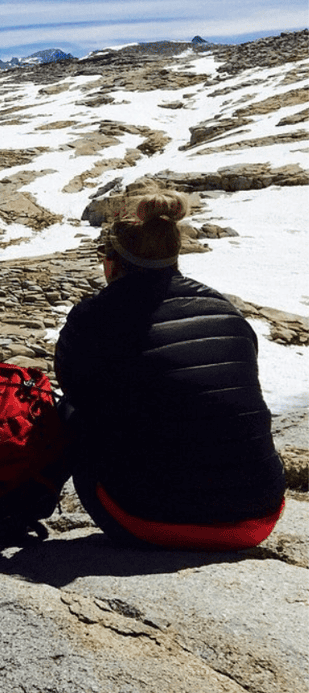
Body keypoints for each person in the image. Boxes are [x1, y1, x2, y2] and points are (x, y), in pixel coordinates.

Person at [54, 188, 286, 550]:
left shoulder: (94, 317)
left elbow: (76, 392)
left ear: (112, 261)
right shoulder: (223, 309)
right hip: (257, 517)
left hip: (149, 519)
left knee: (65, 413)